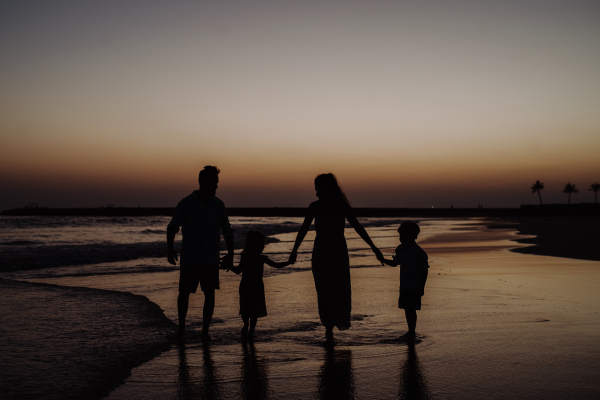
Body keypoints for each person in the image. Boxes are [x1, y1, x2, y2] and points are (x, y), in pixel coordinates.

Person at [288, 173, 383, 343]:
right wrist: (294, 250)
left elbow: (358, 227)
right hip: (320, 251)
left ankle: (334, 324)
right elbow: (303, 229)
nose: (316, 193)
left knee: (339, 287)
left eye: (318, 188)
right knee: (323, 288)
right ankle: (328, 327)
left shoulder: (343, 206)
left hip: (339, 251)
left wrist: (374, 248)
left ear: (327, 188)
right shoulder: (314, 206)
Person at [167, 165, 234, 341]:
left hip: (211, 257)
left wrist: (231, 254)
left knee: (209, 294)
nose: (217, 186)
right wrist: (169, 248)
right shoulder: (187, 203)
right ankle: (181, 328)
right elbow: (172, 226)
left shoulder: (218, 205)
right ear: (204, 182)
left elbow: (227, 231)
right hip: (190, 256)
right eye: (214, 182)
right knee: (184, 292)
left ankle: (205, 331)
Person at [226, 230, 291, 341]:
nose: (260, 246)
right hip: (246, 286)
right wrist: (229, 266)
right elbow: (238, 271)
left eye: (261, 244)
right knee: (245, 310)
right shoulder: (245, 256)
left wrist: (288, 262)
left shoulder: (262, 258)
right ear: (251, 244)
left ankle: (251, 331)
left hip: (257, 287)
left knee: (254, 311)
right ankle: (246, 325)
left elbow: (277, 265)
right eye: (258, 243)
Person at [378, 221, 429, 341]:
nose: (402, 238)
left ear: (414, 236)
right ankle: (410, 331)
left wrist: (422, 287)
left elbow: (424, 271)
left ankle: (412, 332)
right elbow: (395, 263)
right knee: (407, 308)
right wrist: (383, 260)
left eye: (405, 236)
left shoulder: (419, 253)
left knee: (411, 309)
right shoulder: (400, 249)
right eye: (401, 236)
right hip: (405, 285)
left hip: (415, 285)